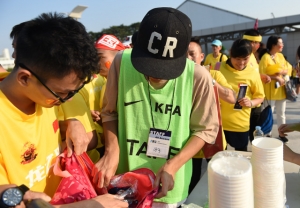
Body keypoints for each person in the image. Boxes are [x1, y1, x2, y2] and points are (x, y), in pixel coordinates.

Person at [93, 7, 218, 207]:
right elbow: (109, 113)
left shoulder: (197, 76)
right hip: (124, 180)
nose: (155, 74)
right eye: (147, 65)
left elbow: (206, 129)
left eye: (165, 69)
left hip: (168, 186)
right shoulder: (121, 63)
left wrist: (172, 165)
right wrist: (111, 151)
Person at [0, 13, 128, 208]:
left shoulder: (44, 98)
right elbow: (10, 198)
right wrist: (91, 205)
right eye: (62, 94)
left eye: (73, 93)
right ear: (25, 78)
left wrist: (70, 123)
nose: (65, 101)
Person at [186, 36, 235, 194]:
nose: (188, 58)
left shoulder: (215, 75)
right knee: (192, 180)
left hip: (214, 137)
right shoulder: (178, 79)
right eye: (184, 54)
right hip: (189, 139)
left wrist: (210, 80)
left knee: (221, 177)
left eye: (192, 54)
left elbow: (231, 97)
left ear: (201, 57)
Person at [219, 39, 265, 151]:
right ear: (231, 54)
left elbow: (260, 97)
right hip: (218, 124)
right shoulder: (218, 67)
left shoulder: (252, 73)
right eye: (237, 59)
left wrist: (251, 102)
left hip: (240, 125)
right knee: (220, 160)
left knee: (241, 158)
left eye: (245, 59)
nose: (241, 63)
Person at [259, 35, 292, 143]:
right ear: (273, 45)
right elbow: (261, 74)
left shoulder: (280, 56)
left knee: (281, 113)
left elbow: (287, 68)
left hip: (281, 91)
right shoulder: (265, 58)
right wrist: (276, 76)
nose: (282, 45)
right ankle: (268, 134)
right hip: (269, 92)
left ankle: (282, 133)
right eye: (280, 43)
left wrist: (281, 73)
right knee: (268, 114)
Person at [242, 29, 271, 143]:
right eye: (257, 42)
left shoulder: (253, 56)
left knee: (255, 131)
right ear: (251, 42)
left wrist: (261, 76)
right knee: (249, 132)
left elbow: (252, 74)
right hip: (248, 101)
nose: (259, 45)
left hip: (256, 100)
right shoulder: (244, 57)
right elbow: (243, 75)